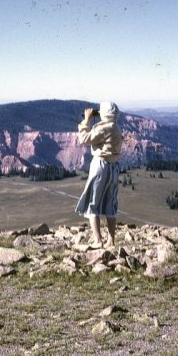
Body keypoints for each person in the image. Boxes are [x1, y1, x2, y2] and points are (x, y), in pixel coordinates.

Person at [75, 101, 123, 248]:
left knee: (92, 203)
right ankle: (111, 240)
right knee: (110, 203)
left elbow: (85, 139)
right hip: (114, 167)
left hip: (101, 165)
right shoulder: (116, 127)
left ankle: (98, 240)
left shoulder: (104, 129)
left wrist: (86, 121)